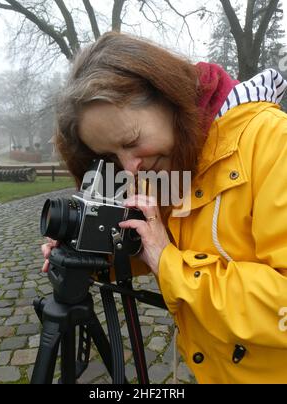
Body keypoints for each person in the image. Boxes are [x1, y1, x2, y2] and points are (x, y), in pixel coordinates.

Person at [41, 31, 287, 384]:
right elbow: (149, 247)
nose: (129, 169)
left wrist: (170, 264)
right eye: (112, 156)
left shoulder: (272, 142)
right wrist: (90, 256)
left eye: (131, 142)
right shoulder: (173, 166)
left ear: (170, 98)